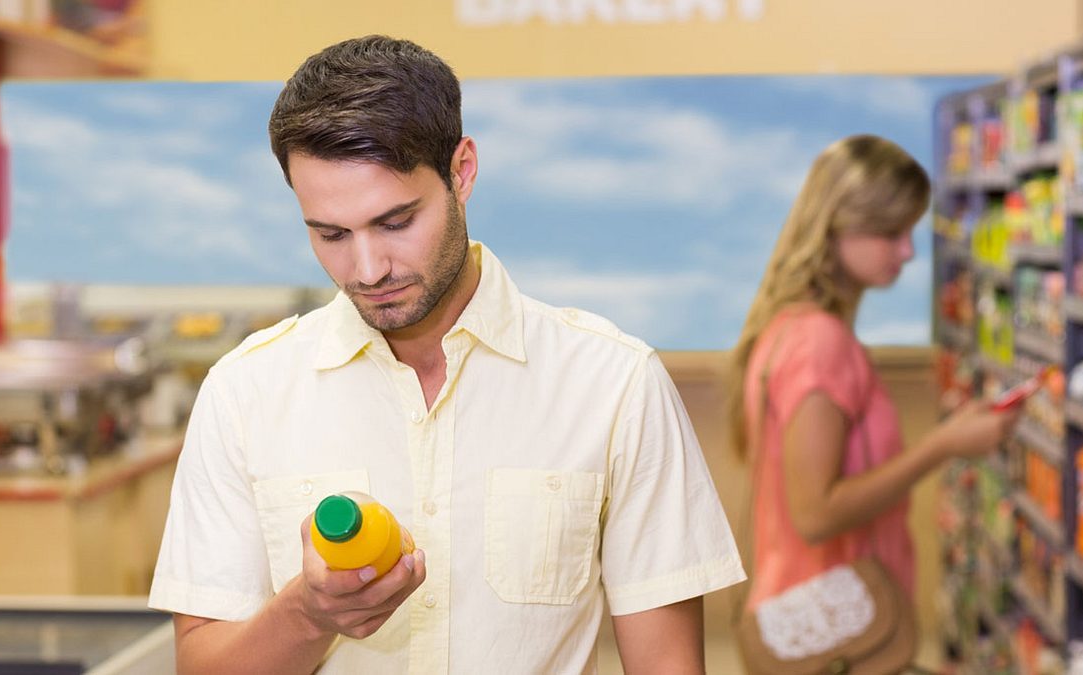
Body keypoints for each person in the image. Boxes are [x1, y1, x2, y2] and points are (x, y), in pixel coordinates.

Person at [148, 35, 745, 674]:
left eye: (396, 222)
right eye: (331, 234)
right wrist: (309, 614)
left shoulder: (615, 384)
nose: (368, 269)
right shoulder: (245, 393)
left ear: (461, 171)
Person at [724, 134, 1019, 615]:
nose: (907, 252)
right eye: (890, 232)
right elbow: (815, 514)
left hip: (807, 608)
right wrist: (944, 445)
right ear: (837, 226)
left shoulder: (788, 326)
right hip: (835, 625)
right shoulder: (821, 342)